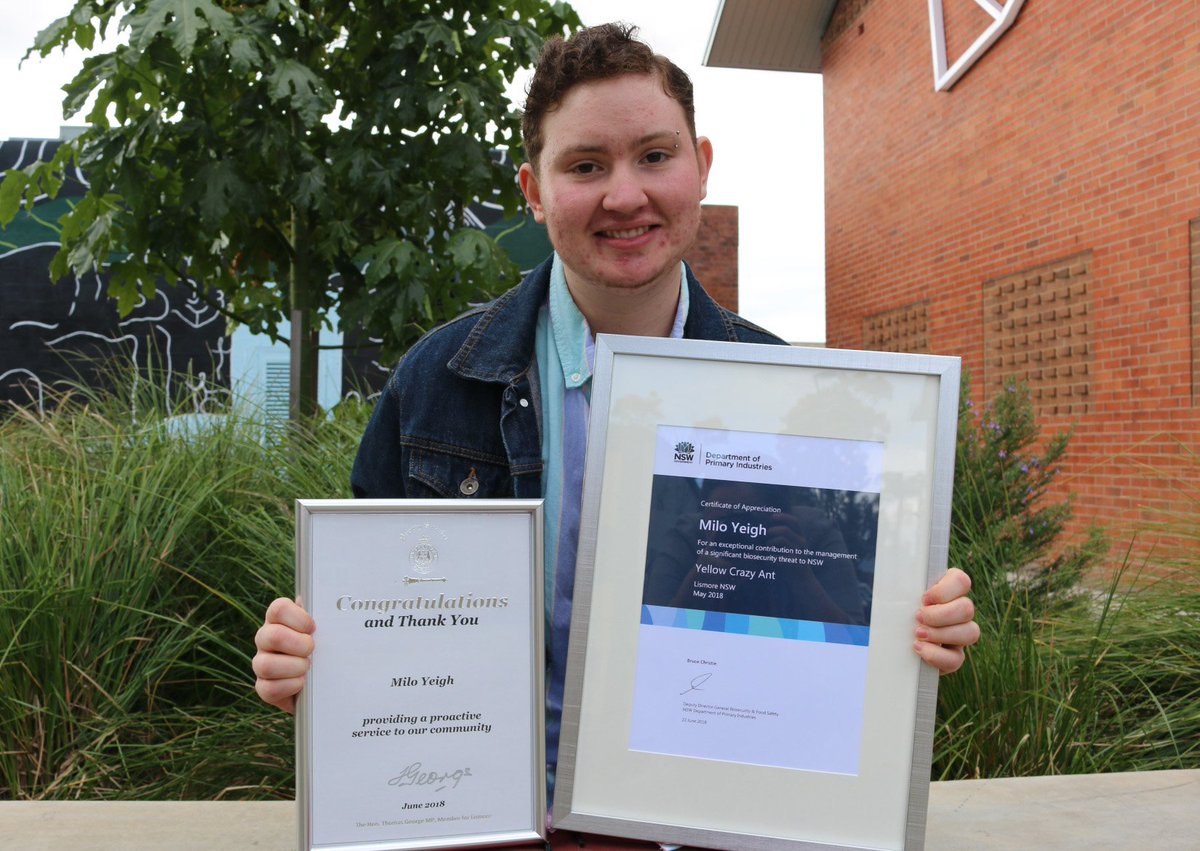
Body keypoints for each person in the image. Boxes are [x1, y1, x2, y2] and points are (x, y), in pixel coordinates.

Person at [253, 22, 980, 849]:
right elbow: (358, 624)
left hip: (710, 821)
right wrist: (306, 661)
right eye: (586, 165)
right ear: (533, 188)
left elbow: (822, 631)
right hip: (487, 819)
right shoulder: (437, 379)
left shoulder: (797, 400)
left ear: (702, 165)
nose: (625, 194)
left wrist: (910, 630)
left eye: (655, 156)